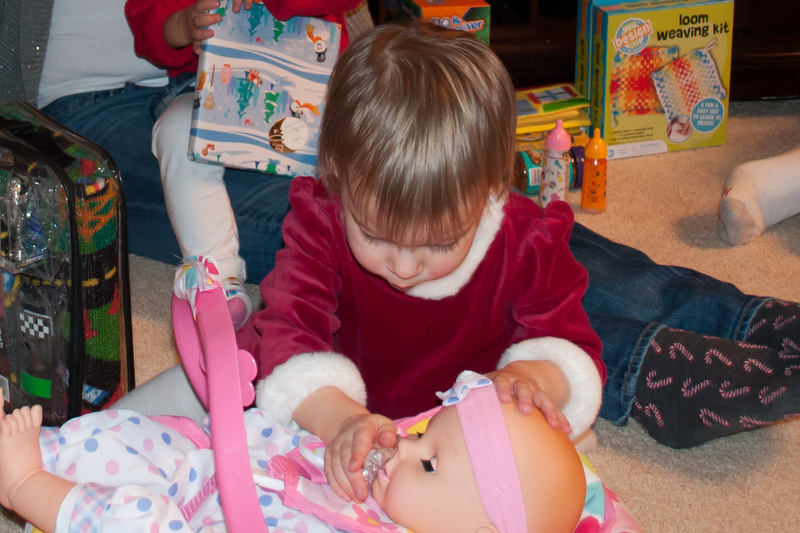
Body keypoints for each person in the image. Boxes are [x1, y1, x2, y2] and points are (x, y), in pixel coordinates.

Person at [0, 372, 639, 533]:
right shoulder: (397, 490)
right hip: (210, 472)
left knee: (142, 522)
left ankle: (26, 484)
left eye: (428, 461)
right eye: (423, 435)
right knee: (141, 437)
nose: (405, 445)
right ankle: (47, 450)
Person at [124, 0, 372, 328]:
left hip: (310, 90)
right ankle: (218, 277)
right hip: (212, 86)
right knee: (175, 130)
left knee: (357, 148)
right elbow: (147, 25)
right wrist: (183, 25)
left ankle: (370, 248)